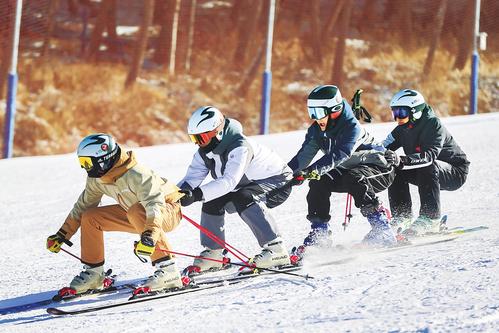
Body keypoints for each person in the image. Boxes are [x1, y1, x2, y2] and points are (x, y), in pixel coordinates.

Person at [46, 133, 184, 294]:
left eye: (87, 162)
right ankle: (94, 274)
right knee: (90, 217)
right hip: (135, 214)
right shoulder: (97, 178)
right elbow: (83, 206)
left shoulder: (137, 174)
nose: (85, 167)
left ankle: (168, 271)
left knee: (137, 210)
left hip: (166, 211)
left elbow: (154, 205)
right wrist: (63, 234)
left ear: (103, 159)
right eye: (82, 162)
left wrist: (149, 237)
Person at [177, 106, 293, 273]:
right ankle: (214, 254)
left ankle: (276, 250)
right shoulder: (205, 151)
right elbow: (191, 178)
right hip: (246, 184)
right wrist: (175, 194)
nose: (197, 143)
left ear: (216, 132)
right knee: (212, 200)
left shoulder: (240, 147)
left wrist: (195, 195)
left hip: (278, 183)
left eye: (200, 138)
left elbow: (229, 182)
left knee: (244, 197)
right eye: (194, 138)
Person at [287, 85, 397, 247]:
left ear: (335, 109)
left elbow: (341, 153)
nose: (315, 118)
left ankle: (382, 228)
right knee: (319, 181)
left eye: (318, 112)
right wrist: (284, 175)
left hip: (379, 168)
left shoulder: (351, 128)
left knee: (355, 178)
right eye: (312, 112)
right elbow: (303, 157)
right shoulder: (317, 130)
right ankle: (320, 233)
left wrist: (311, 171)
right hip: (347, 171)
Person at [383, 89, 470, 236]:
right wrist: (363, 153)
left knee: (427, 164)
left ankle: (430, 219)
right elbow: (382, 146)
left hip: (455, 172)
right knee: (394, 168)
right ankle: (402, 216)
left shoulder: (433, 125)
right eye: (394, 113)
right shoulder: (402, 128)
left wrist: (402, 160)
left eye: (401, 113)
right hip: (426, 172)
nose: (398, 118)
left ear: (415, 111)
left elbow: (429, 156)